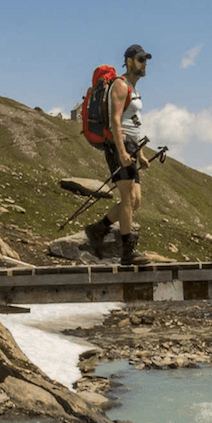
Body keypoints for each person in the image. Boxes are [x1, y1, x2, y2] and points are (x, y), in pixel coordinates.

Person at [84, 44, 153, 265]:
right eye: (141, 60)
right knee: (127, 199)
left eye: (146, 60)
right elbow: (115, 120)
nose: (144, 64)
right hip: (117, 146)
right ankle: (127, 251)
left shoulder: (134, 89)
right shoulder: (120, 86)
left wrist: (140, 154)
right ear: (129, 62)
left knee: (136, 201)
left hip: (130, 147)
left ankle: (99, 228)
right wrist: (122, 151)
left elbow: (133, 125)